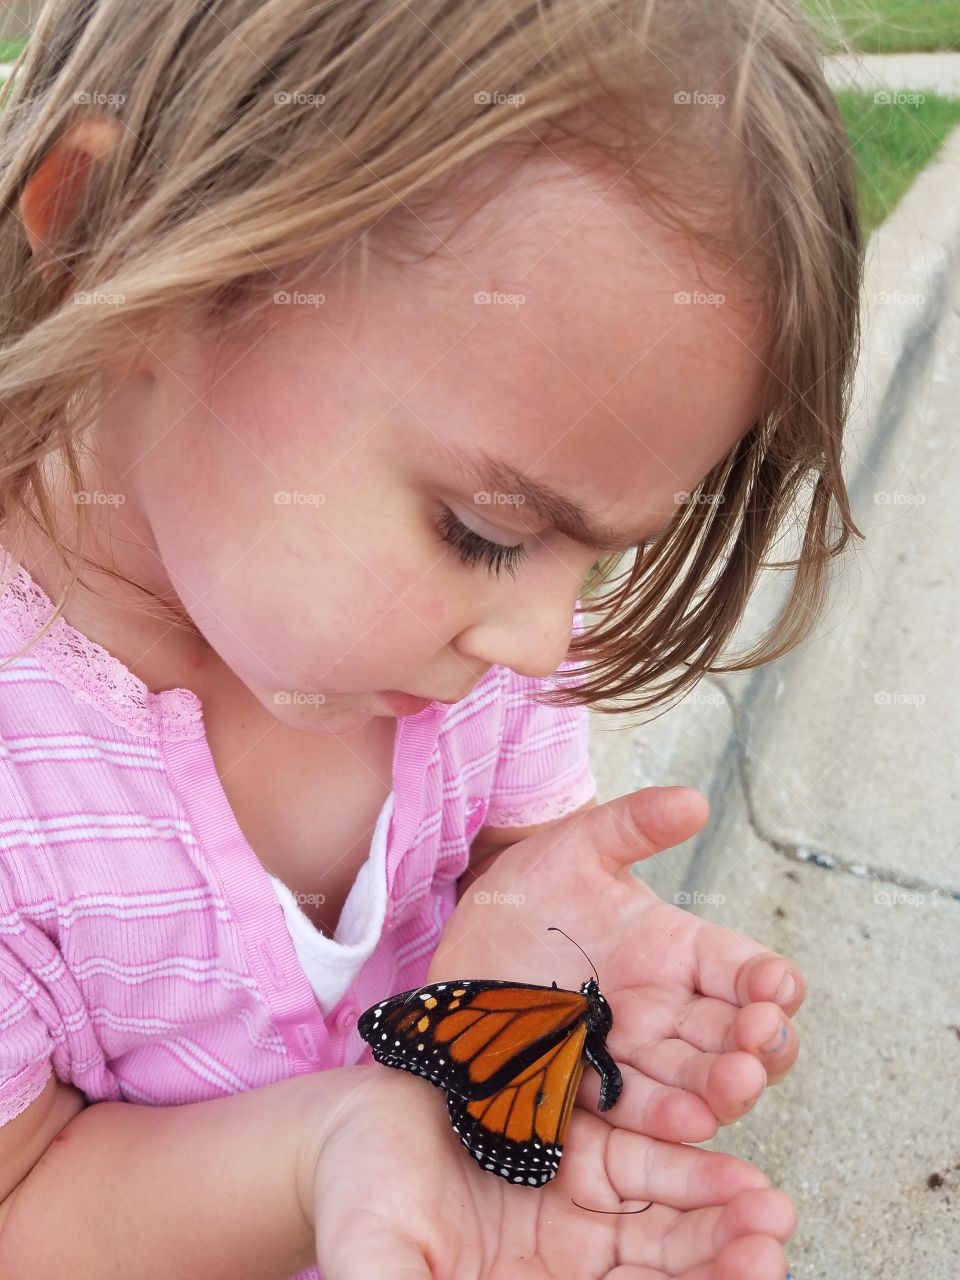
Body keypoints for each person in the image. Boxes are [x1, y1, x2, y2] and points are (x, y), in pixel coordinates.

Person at [0, 2, 861, 1277]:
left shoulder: (473, 648)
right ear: (120, 247)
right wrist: (327, 1149)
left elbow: (509, 870)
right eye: (484, 531)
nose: (541, 639)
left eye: (600, 551)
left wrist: (542, 933)